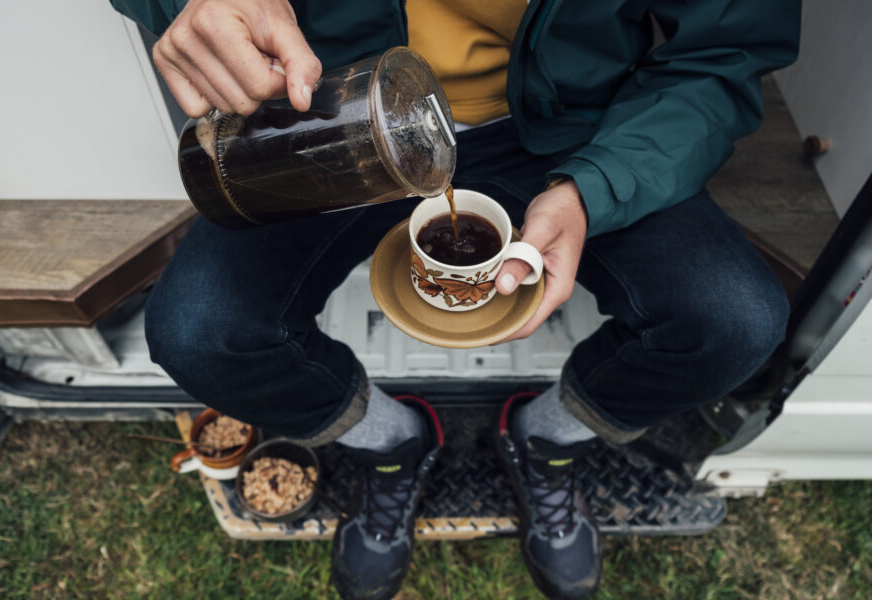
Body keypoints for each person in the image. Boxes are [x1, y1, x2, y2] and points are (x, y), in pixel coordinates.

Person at [110, 1, 800, 598]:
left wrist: (598, 187)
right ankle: (393, 444)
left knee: (735, 319)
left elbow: (725, 45)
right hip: (337, 110)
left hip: (567, 124)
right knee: (200, 329)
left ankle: (547, 439)